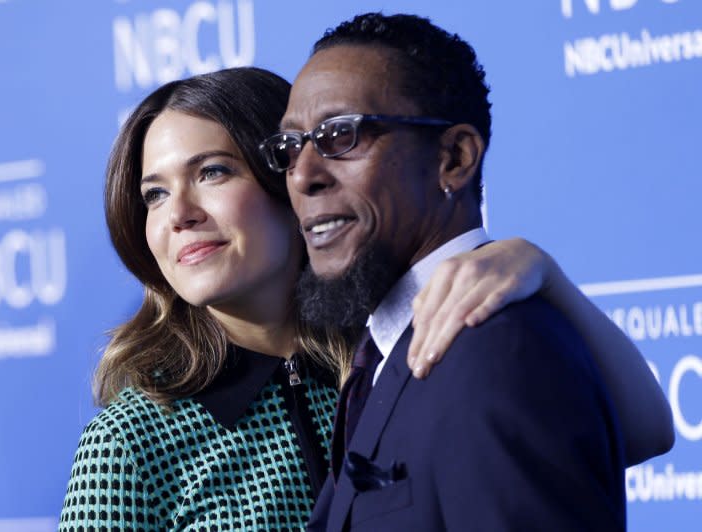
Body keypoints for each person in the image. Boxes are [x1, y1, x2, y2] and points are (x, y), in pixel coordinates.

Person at [58, 66, 668, 530]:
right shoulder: (132, 441)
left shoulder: (398, 354)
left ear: (293, 181)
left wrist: (545, 274)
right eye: (154, 195)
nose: (179, 215)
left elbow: (643, 433)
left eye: (213, 172)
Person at [259, 13, 673, 531]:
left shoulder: (495, 353)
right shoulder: (380, 355)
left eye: (341, 135)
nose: (303, 174)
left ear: (454, 158)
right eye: (290, 147)